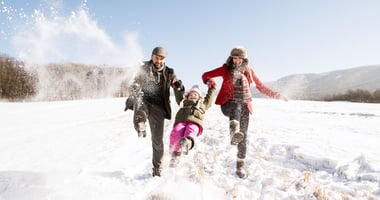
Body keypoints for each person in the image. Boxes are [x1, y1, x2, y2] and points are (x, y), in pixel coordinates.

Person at [201, 46, 288, 179]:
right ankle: (233, 130)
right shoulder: (225, 69)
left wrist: (276, 95)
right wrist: (210, 82)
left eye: (239, 58)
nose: (236, 61)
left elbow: (261, 87)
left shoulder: (249, 72)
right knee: (236, 103)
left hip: (244, 106)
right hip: (228, 105)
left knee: (243, 136)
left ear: (244, 59)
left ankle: (240, 166)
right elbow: (206, 75)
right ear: (231, 58)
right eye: (234, 58)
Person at [124, 46, 185, 177]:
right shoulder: (143, 66)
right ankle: (140, 124)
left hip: (159, 107)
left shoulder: (169, 72)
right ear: (152, 56)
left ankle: (157, 168)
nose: (159, 61)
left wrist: (179, 87)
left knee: (157, 141)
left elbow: (175, 84)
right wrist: (134, 86)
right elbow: (134, 79)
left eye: (162, 59)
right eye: (157, 58)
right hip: (145, 100)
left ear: (165, 59)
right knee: (140, 103)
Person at [168, 80, 217, 168]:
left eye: (195, 94)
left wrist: (212, 88)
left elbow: (209, 98)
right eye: (191, 94)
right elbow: (178, 95)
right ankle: (175, 156)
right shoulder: (183, 102)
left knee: (191, 131)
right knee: (175, 132)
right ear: (187, 96)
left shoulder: (203, 104)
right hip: (181, 121)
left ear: (199, 97)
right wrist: (177, 87)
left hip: (195, 122)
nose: (193, 96)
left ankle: (187, 143)